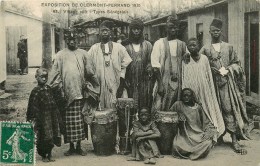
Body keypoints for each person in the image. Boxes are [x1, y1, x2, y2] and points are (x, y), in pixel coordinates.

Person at [199, 18, 250, 155]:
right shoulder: (204, 49)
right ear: (209, 32)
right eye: (213, 31)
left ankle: (234, 140)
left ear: (221, 32)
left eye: (218, 31)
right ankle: (219, 137)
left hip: (227, 84)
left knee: (228, 109)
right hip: (212, 85)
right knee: (215, 109)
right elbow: (200, 65)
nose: (216, 33)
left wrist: (227, 69)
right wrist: (210, 70)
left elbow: (237, 64)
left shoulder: (229, 47)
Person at [49, 28, 99, 156]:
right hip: (66, 93)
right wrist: (60, 89)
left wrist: (91, 86)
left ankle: (79, 146)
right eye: (69, 40)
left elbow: (90, 72)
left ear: (78, 40)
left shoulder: (83, 54)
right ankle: (71, 147)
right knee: (69, 122)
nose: (72, 42)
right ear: (66, 41)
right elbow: (55, 74)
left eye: (74, 39)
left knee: (80, 121)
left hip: (80, 92)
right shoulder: (60, 55)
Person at [182, 38, 225, 140]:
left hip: (204, 90)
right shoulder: (185, 60)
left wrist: (210, 90)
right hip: (192, 90)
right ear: (187, 47)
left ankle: (212, 133)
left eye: (194, 45)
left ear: (199, 46)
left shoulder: (204, 58)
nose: (192, 47)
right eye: (190, 45)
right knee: (195, 110)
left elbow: (209, 75)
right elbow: (184, 76)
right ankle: (197, 134)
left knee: (207, 109)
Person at [87, 20, 132, 109]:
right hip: (99, 86)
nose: (104, 32)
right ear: (99, 33)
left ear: (111, 32)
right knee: (102, 112)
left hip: (116, 85)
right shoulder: (94, 49)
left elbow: (126, 65)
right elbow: (88, 66)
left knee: (116, 109)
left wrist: (121, 84)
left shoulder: (119, 48)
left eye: (106, 30)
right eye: (102, 30)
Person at [151, 15, 187, 115]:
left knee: (177, 106)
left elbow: (187, 62)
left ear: (178, 29)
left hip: (179, 81)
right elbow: (155, 65)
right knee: (161, 105)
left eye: (175, 27)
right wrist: (160, 85)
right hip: (163, 80)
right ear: (166, 28)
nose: (173, 29)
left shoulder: (182, 44)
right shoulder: (159, 43)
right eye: (171, 27)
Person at [26, 68, 61, 162]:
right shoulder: (35, 91)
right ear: (36, 77)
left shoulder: (49, 89)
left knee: (51, 135)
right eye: (42, 77)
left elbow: (53, 101)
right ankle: (43, 155)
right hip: (41, 118)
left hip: (50, 116)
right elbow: (32, 106)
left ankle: (49, 154)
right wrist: (33, 119)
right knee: (42, 137)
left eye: (46, 77)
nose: (44, 79)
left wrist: (56, 114)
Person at [172, 88, 217, 160]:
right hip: (183, 135)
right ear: (181, 96)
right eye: (184, 95)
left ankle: (192, 153)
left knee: (208, 143)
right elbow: (169, 115)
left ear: (192, 97)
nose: (186, 97)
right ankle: (194, 152)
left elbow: (206, 122)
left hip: (197, 135)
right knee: (176, 145)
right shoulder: (177, 104)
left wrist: (209, 132)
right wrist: (177, 117)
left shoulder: (198, 107)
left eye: (188, 96)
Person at [123, 18, 153, 109]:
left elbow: (151, 61)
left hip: (144, 80)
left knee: (144, 103)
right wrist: (125, 79)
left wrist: (149, 67)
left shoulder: (148, 45)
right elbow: (121, 64)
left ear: (141, 30)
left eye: (138, 29)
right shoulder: (125, 46)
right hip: (129, 80)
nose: (136, 31)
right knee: (130, 103)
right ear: (131, 30)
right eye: (134, 29)